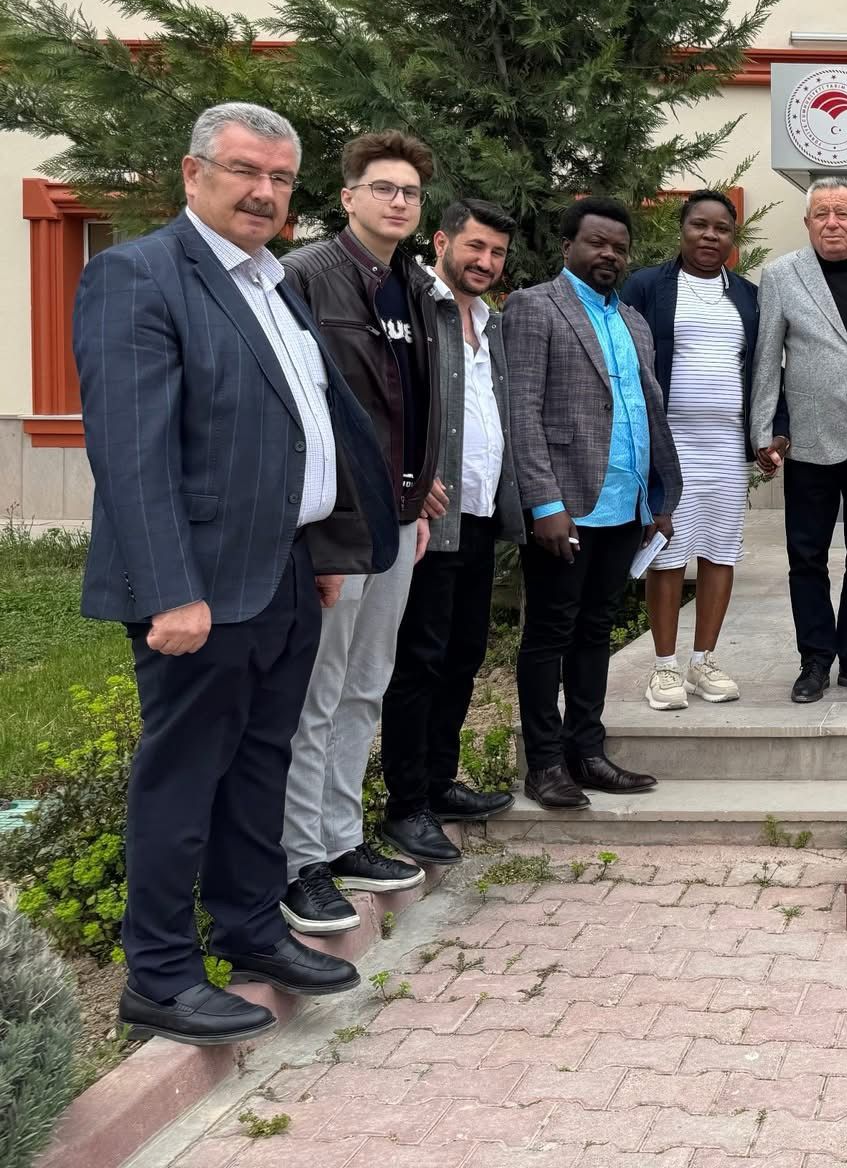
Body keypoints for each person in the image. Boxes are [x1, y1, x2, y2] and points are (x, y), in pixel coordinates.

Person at [76, 102, 396, 1046]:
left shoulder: (272, 281)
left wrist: (324, 551)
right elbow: (130, 453)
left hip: (287, 570)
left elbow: (302, 425)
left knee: (261, 766)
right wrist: (170, 590)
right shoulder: (139, 274)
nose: (264, 193)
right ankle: (160, 975)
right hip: (201, 586)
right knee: (184, 779)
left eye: (280, 178)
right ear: (193, 173)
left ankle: (252, 929)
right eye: (245, 171)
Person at [278, 132, 446, 934]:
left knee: (365, 683)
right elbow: (299, 409)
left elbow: (416, 400)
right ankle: (298, 862)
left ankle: (342, 838)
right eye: (384, 188)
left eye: (409, 192)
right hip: (338, 527)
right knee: (317, 693)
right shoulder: (305, 277)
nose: (398, 202)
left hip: (398, 521)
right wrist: (320, 533)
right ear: (348, 197)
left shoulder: (413, 285)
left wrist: (419, 490)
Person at [504, 199, 681, 810]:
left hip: (624, 507)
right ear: (568, 247)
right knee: (550, 633)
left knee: (596, 629)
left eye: (619, 247)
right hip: (567, 508)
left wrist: (656, 499)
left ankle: (588, 751)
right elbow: (522, 411)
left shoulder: (632, 321)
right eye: (597, 243)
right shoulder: (534, 307)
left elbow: (644, 413)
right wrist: (543, 503)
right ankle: (544, 763)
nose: (609, 254)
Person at [381, 199, 526, 868]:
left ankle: (440, 782)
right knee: (420, 659)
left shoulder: (489, 322)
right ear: (441, 241)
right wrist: (412, 477)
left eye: (496, 253)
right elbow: (383, 398)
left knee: (464, 653)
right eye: (475, 247)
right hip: (429, 520)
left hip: (479, 514)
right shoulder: (414, 307)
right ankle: (406, 803)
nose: (485, 262)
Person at [751, 178, 847, 704]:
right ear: (807, 222)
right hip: (810, 440)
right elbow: (766, 359)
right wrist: (764, 431)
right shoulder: (781, 275)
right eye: (821, 214)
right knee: (807, 555)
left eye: (842, 213)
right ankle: (815, 658)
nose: (832, 222)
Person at [623, 190, 764, 711]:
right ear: (681, 229)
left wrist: (770, 433)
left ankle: (703, 661)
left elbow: (763, 369)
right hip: (669, 446)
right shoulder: (646, 287)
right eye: (699, 225)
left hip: (725, 446)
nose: (710, 235)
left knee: (720, 551)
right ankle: (664, 667)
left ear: (733, 237)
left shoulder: (747, 296)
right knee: (667, 552)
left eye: (721, 228)